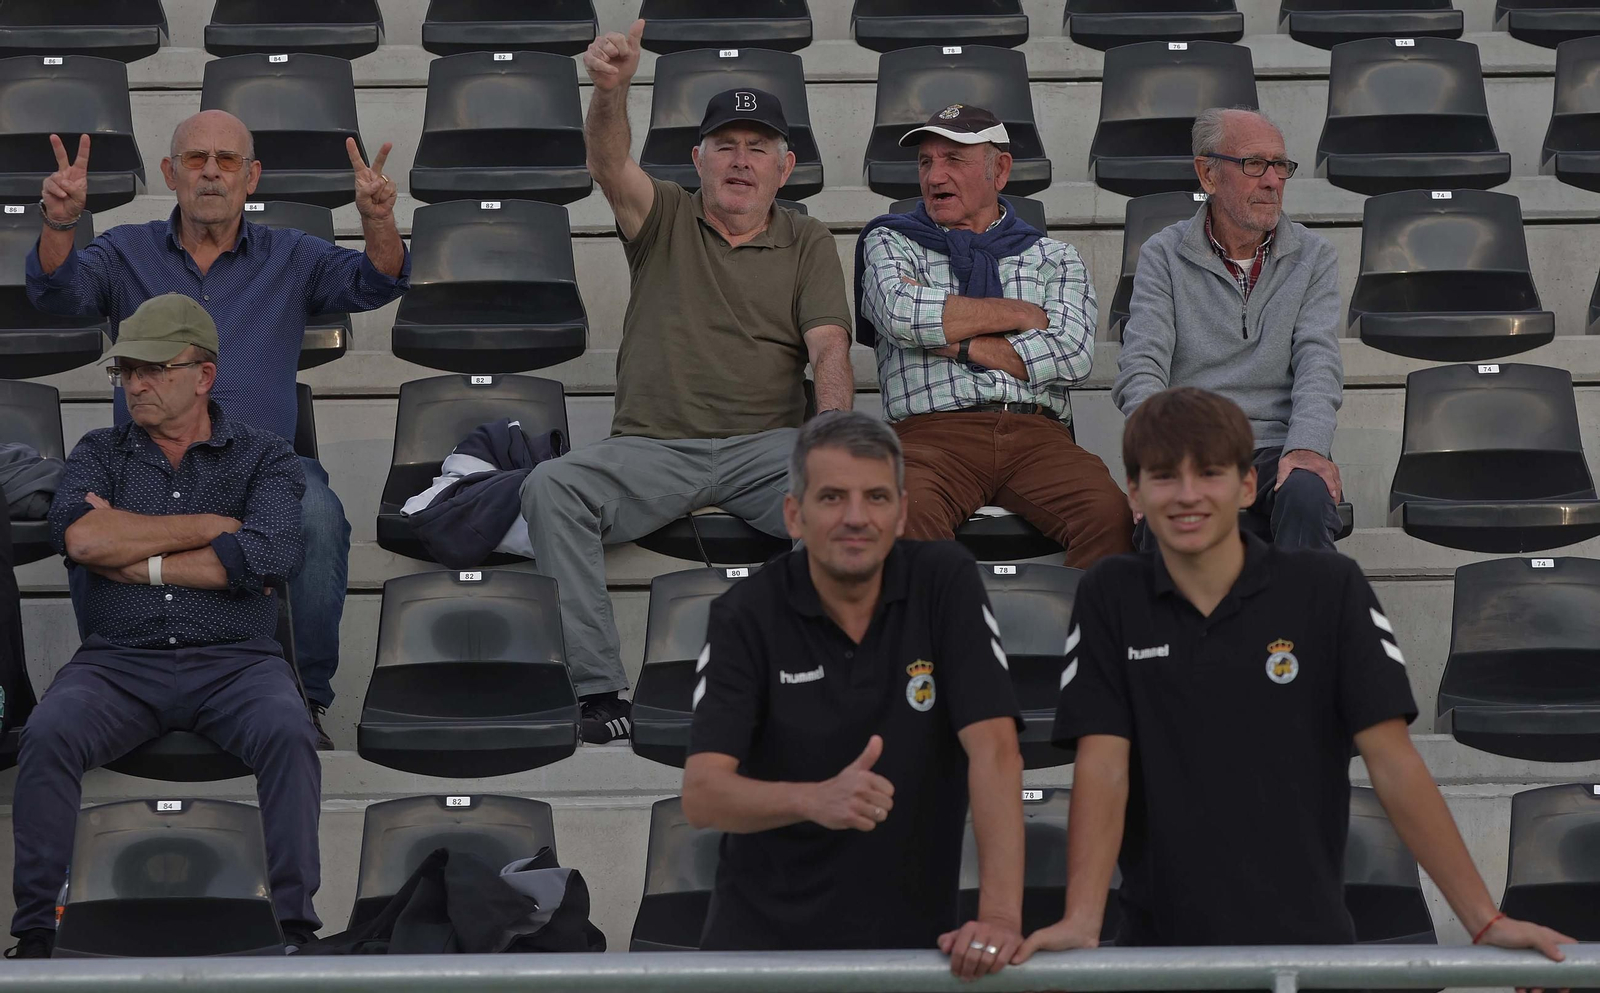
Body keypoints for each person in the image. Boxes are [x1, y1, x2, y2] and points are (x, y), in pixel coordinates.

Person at [1014, 387, 1573, 962]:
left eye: (1209, 473)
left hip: (1306, 948)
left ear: (1248, 485)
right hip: (1159, 950)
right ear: (1133, 492)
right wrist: (1082, 920)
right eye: (1163, 476)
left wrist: (1484, 922)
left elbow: (1394, 763)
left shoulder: (1328, 590)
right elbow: (1103, 767)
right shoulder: (1111, 595)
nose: (1187, 495)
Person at [25, 110, 412, 746]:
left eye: (227, 161)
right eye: (196, 159)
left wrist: (376, 219)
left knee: (318, 514)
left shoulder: (290, 256)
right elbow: (55, 293)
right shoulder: (126, 252)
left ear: (251, 176)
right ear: (169, 172)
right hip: (148, 465)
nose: (211, 172)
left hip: (264, 469)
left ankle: (304, 696)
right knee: (87, 521)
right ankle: (109, 675)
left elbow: (375, 281)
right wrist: (61, 221)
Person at [530, 19, 854, 744]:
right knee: (552, 487)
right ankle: (596, 690)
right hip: (653, 448)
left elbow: (829, 347)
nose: (742, 162)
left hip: (765, 448)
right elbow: (611, 166)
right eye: (726, 148)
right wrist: (610, 92)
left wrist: (831, 441)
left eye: (758, 149)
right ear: (697, 159)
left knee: (846, 488)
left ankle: (811, 677)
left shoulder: (808, 240)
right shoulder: (665, 214)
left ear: (786, 165)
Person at [9, 294, 322, 959]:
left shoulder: (264, 456)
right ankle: (37, 931)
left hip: (237, 661)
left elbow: (268, 555)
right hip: (118, 663)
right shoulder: (100, 451)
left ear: (203, 375)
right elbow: (85, 540)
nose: (137, 385)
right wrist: (211, 531)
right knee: (48, 733)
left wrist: (141, 560)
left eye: (154, 369)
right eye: (127, 371)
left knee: (289, 731)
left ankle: (294, 927)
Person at [683, 411, 1026, 979]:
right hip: (762, 952)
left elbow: (996, 750)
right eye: (832, 497)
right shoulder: (745, 614)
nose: (856, 518)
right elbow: (703, 796)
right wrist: (814, 800)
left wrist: (998, 918)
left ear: (902, 512)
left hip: (913, 950)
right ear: (795, 515)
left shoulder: (944, 581)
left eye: (875, 497)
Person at [855, 104, 1132, 570]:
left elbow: (1073, 355)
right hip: (929, 438)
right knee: (902, 514)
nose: (934, 175)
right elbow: (902, 315)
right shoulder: (891, 240)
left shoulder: (1054, 256)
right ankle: (939, 640)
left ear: (999, 169)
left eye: (954, 160)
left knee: (1111, 516)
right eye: (926, 161)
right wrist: (1021, 313)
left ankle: (1083, 639)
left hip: (1036, 435)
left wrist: (959, 340)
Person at [1114, 107, 1344, 552]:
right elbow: (1141, 367)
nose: (1272, 180)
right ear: (1208, 175)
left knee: (1307, 493)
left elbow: (1320, 362)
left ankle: (1304, 622)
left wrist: (1308, 447)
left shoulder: (1314, 256)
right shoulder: (1163, 254)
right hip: (1192, 447)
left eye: (1280, 165)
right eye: (1254, 164)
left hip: (1279, 446)